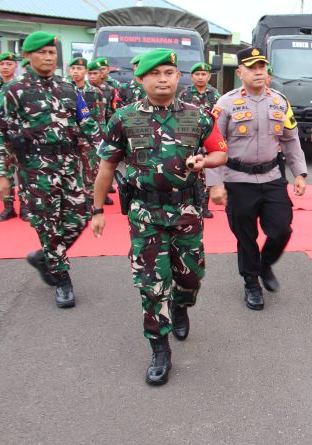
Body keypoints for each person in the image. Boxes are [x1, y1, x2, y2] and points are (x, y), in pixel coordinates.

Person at [91, 49, 228, 385]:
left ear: (177, 77)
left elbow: (220, 151)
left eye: (169, 72)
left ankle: (181, 305)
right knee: (152, 285)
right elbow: (107, 166)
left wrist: (205, 163)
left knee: (191, 277)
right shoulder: (123, 118)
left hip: (187, 212)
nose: (163, 79)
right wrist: (96, 210)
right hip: (144, 214)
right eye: (155, 74)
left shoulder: (198, 117)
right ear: (141, 79)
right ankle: (159, 348)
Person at [0, 31, 102, 308]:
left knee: (80, 217)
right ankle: (61, 278)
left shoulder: (69, 88)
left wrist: (109, 153)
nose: (47, 57)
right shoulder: (14, 91)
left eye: (51, 52)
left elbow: (87, 124)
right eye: (41, 52)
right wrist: (1, 175)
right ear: (28, 57)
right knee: (49, 225)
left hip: (69, 165)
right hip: (35, 169)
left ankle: (45, 258)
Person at [206, 47, 308, 311]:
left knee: (282, 228)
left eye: (262, 66)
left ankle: (265, 265)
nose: (258, 71)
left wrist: (300, 174)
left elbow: (290, 140)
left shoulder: (279, 101)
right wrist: (215, 184)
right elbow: (214, 145)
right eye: (252, 67)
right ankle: (251, 282)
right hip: (237, 180)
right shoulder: (226, 104)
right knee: (246, 235)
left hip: (272, 177)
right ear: (240, 72)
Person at [179, 62, 221, 219]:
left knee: (208, 171)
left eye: (204, 74)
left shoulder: (215, 95)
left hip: (208, 137)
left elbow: (218, 117)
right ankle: (189, 203)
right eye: (197, 74)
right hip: (189, 136)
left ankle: (204, 205)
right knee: (189, 170)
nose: (201, 77)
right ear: (192, 76)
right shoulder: (185, 94)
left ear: (209, 76)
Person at [67, 57, 108, 207]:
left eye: (79, 69)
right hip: (70, 137)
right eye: (73, 69)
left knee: (91, 170)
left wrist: (100, 138)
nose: (76, 72)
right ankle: (75, 199)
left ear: (85, 71)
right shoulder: (64, 89)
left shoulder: (94, 92)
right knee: (71, 169)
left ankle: (91, 199)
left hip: (88, 137)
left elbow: (100, 116)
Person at [0, 51, 27, 221]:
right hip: (2, 138)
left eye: (9, 64)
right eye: (2, 64)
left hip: (20, 136)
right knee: (5, 173)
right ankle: (8, 207)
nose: (6, 67)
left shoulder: (21, 86)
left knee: (24, 172)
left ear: (16, 66)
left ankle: (24, 207)